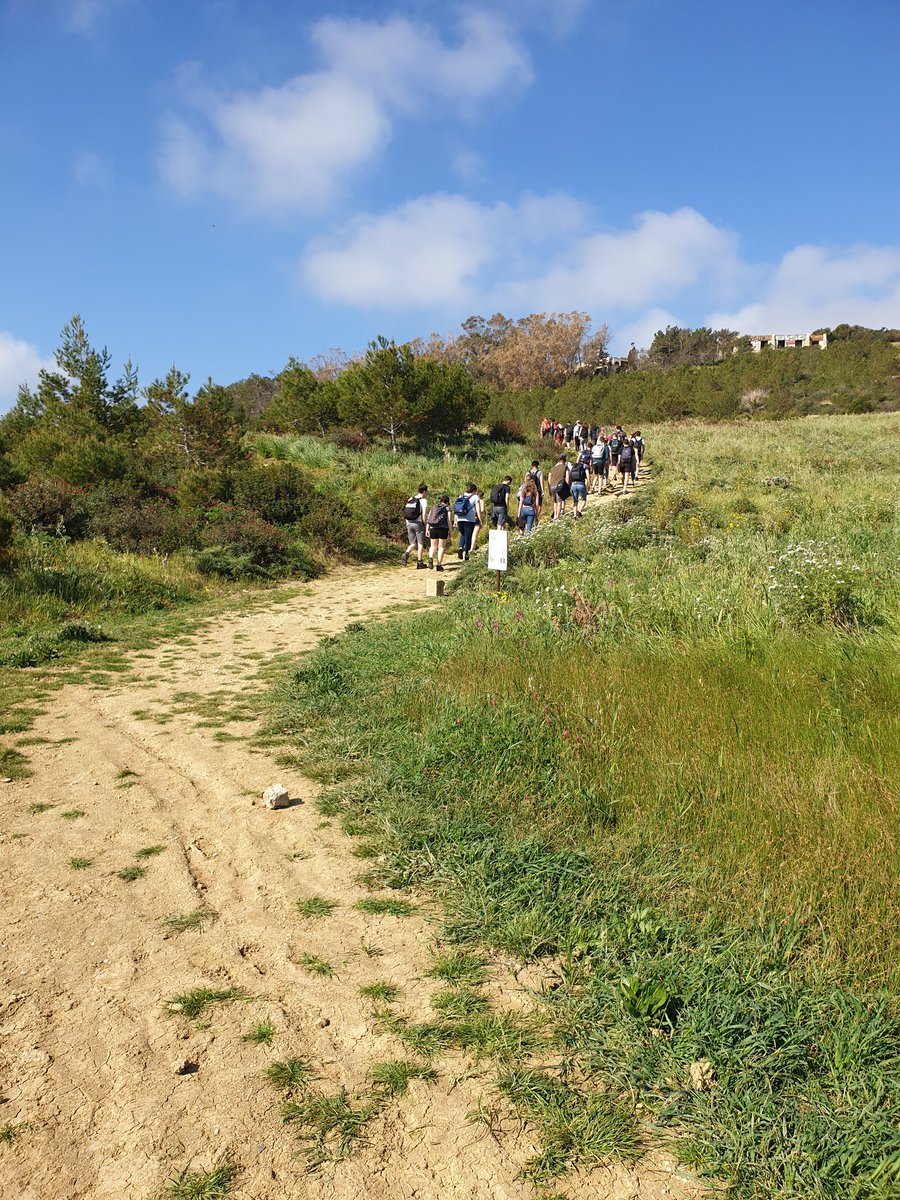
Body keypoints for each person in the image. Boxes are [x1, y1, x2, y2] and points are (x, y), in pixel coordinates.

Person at [401, 483, 429, 568]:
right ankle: (419, 562)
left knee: (413, 543)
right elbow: (424, 514)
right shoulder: (423, 501)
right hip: (418, 523)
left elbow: (406, 511)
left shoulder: (411, 499)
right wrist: (425, 524)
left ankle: (406, 553)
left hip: (409, 523)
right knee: (420, 543)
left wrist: (407, 522)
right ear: (424, 491)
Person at [453, 482, 481, 560]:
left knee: (463, 534)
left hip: (459, 518)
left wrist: (455, 520)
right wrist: (480, 520)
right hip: (470, 520)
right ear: (474, 490)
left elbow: (456, 508)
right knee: (468, 537)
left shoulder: (461, 496)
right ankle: (467, 555)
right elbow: (478, 510)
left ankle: (460, 547)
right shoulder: (475, 497)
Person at [426, 493, 451, 571]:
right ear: (447, 501)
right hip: (443, 529)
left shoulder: (434, 507)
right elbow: (449, 521)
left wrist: (427, 529)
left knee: (433, 546)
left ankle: (430, 558)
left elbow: (429, 519)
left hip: (433, 528)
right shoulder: (447, 508)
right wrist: (450, 531)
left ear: (440, 501)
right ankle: (439, 565)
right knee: (441, 547)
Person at [547, 454, 570, 520]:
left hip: (552, 486)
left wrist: (549, 487)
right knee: (559, 501)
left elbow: (549, 478)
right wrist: (567, 487)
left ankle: (554, 516)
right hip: (560, 486)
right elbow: (567, 478)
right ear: (565, 460)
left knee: (555, 502)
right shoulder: (565, 467)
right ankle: (557, 516)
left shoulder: (552, 468)